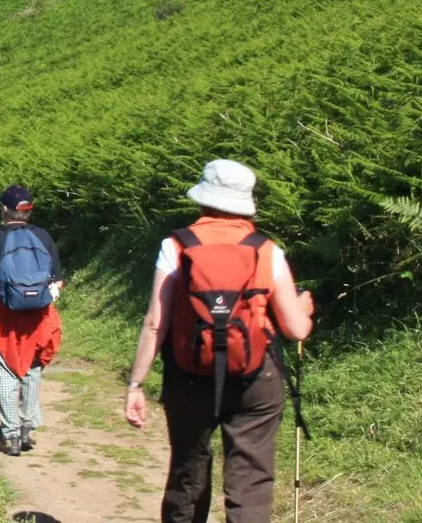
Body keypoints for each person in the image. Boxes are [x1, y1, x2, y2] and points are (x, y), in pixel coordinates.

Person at [121, 159, 315, 523]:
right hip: (257, 377)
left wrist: (136, 384)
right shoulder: (267, 250)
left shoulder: (176, 246)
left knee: (188, 471)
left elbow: (154, 323)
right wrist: (303, 307)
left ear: (203, 199)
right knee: (250, 480)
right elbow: (295, 329)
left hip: (188, 373)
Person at [0, 184, 65, 457]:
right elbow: (58, 280)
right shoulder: (42, 236)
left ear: (4, 209)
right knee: (32, 370)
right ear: (27, 211)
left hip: (3, 320)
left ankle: (9, 437)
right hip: (38, 319)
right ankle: (27, 429)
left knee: (5, 373)